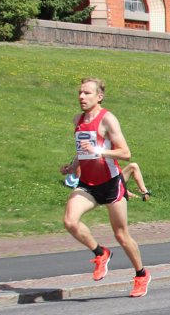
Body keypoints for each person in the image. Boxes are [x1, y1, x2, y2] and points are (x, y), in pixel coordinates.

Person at [60, 77, 151, 297]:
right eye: (80, 93)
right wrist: (72, 166)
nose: (82, 97)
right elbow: (83, 150)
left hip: (111, 184)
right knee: (70, 221)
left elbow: (125, 153)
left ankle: (141, 274)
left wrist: (98, 151)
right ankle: (101, 253)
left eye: (87, 93)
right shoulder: (78, 120)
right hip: (88, 185)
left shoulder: (107, 119)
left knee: (121, 234)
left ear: (99, 96)